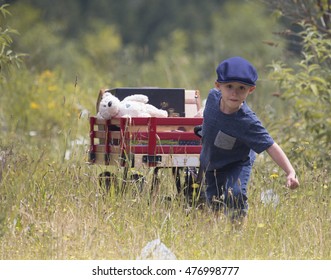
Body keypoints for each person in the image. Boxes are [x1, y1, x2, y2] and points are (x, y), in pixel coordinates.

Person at [200, 56, 299, 218]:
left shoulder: (247, 121)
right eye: (229, 86)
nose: (234, 93)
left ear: (250, 90)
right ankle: (214, 235)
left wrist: (290, 171)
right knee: (213, 201)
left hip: (237, 163)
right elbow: (204, 114)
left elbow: (271, 145)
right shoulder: (212, 99)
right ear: (218, 86)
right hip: (211, 162)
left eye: (241, 88)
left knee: (235, 194)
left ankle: (236, 230)